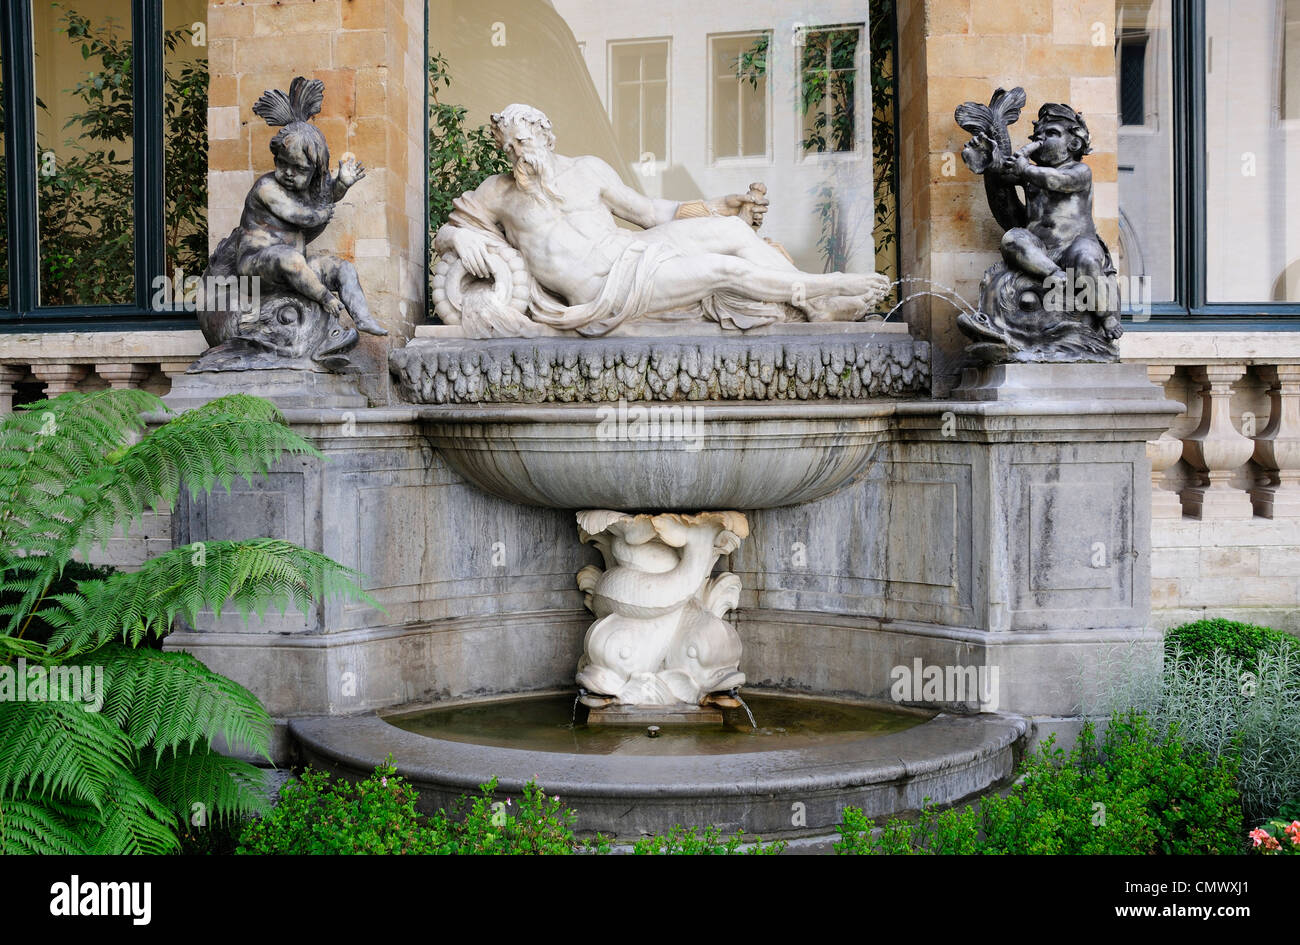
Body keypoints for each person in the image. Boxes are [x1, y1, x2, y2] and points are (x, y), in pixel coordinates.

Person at [437, 103, 890, 335]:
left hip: (633, 251)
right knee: (722, 270)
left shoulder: (589, 169)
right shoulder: (498, 193)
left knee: (731, 231)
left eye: (522, 141)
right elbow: (448, 230)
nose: (517, 153)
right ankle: (829, 286)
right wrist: (461, 241)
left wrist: (717, 205)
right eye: (509, 147)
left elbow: (650, 213)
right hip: (605, 289)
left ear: (544, 134)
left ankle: (811, 304)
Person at [237, 77, 387, 338]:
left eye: (299, 169)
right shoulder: (266, 188)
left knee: (343, 268)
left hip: (295, 267)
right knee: (290, 258)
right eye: (283, 164)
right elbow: (303, 216)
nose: (288, 173)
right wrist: (324, 207)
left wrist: (340, 184)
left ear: (314, 171)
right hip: (256, 267)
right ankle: (324, 297)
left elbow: (323, 195)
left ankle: (362, 317)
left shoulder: (306, 189)